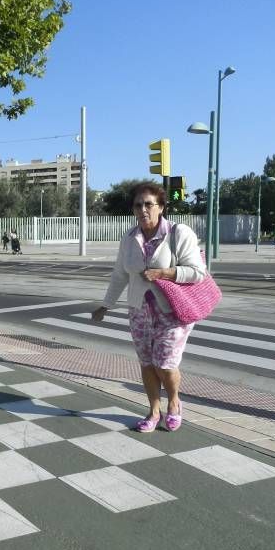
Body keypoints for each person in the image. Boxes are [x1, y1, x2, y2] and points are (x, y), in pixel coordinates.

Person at [91, 183, 206, 433]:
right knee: (146, 363)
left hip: (172, 311)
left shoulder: (179, 233)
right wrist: (105, 305)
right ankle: (154, 411)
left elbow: (198, 273)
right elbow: (120, 275)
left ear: (161, 207)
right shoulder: (130, 238)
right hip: (138, 310)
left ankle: (174, 402)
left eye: (148, 204)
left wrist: (165, 273)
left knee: (164, 363)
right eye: (138, 205)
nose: (143, 209)